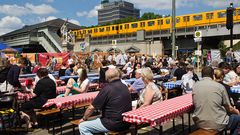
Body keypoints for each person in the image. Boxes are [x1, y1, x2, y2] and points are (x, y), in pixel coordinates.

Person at [78, 68, 132, 134]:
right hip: (126, 122)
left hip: (113, 124)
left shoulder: (107, 89)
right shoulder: (124, 86)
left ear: (106, 78)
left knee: (83, 126)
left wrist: (84, 118)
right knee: (98, 117)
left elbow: (91, 108)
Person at [192, 66, 240, 134]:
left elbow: (195, 103)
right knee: (238, 119)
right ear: (212, 75)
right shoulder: (219, 86)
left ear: (202, 74)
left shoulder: (195, 86)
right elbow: (229, 108)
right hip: (217, 123)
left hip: (199, 122)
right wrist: (237, 112)